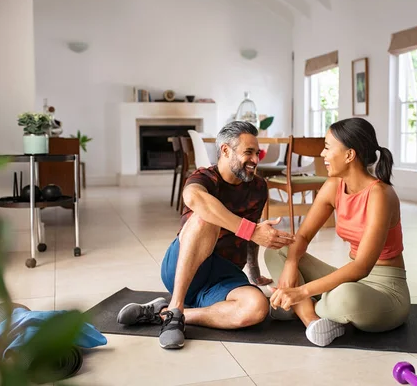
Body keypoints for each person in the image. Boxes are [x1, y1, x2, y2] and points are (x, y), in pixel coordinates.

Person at [116, 121, 295, 349]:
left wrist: (255, 273)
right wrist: (250, 231)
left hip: (223, 277)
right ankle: (177, 304)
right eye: (248, 153)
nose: (255, 160)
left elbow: (255, 232)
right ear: (225, 150)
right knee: (206, 217)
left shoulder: (258, 187)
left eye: (257, 153)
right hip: (184, 265)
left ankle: (167, 313)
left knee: (257, 307)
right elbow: (194, 199)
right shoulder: (204, 178)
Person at [265, 117, 410, 347]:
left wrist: (301, 291)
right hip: (350, 278)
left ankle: (296, 304)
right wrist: (292, 265)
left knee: (345, 297)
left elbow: (362, 266)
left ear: (349, 155)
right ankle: (312, 321)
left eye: (327, 147)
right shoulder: (334, 186)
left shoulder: (380, 195)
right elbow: (301, 236)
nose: (322, 154)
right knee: (278, 250)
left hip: (385, 291)